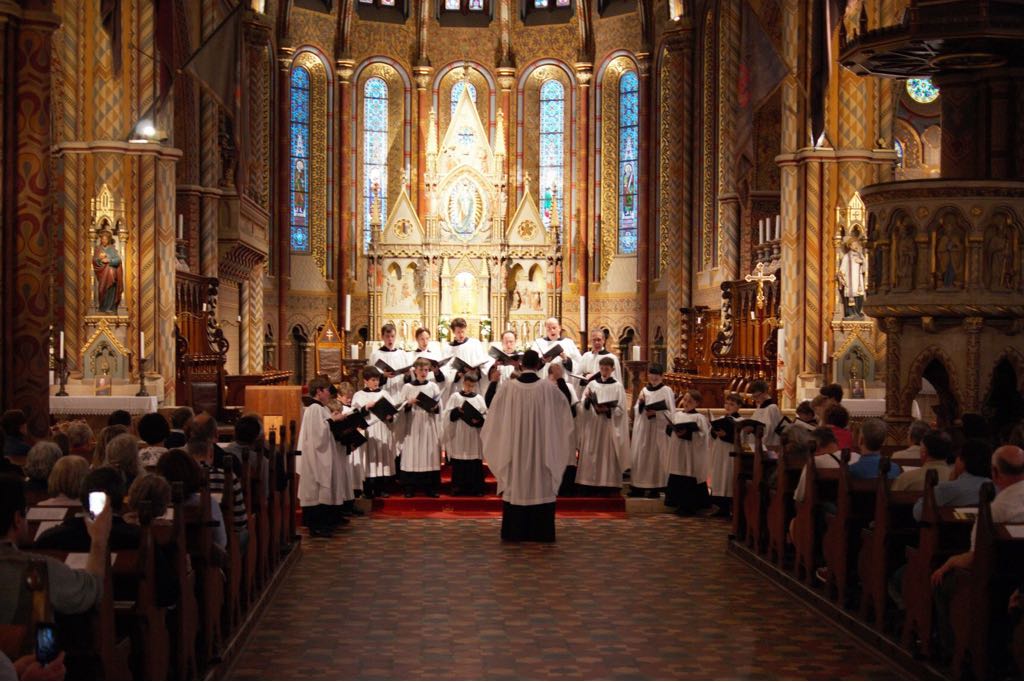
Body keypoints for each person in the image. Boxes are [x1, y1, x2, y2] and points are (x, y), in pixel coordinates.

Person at [481, 350, 573, 542]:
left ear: (521, 365)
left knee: (517, 484)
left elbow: (492, 410)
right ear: (538, 365)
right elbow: (567, 408)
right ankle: (541, 532)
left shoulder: (508, 388)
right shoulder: (549, 388)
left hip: (515, 449)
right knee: (540, 484)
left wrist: (493, 382)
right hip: (542, 451)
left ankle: (515, 532)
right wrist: (560, 378)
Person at [0, 475, 109, 628]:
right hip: (22, 651)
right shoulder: (36, 568)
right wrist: (99, 539)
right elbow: (91, 591)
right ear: (17, 519)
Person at [931, 445, 1024, 583]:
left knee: (943, 582)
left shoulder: (995, 511)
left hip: (998, 582)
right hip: (1016, 579)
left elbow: (977, 557)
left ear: (994, 472)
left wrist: (951, 562)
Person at [297, 376, 354, 537]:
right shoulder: (314, 409)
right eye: (328, 390)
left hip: (322, 455)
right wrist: (333, 420)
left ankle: (324, 523)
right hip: (317, 458)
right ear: (319, 391)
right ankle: (317, 526)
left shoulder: (319, 408)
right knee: (317, 491)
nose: (330, 393)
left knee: (322, 490)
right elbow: (318, 435)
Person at [575, 356, 628, 495]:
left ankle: (607, 485)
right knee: (591, 452)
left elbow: (621, 409)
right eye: (602, 369)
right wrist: (587, 401)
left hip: (607, 426)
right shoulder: (592, 384)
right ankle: (589, 484)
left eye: (607, 369)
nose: (604, 372)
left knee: (606, 455)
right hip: (593, 425)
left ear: (612, 370)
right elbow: (582, 405)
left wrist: (608, 410)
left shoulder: (617, 386)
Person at [156, 449, 227, 548]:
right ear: (193, 473)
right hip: (201, 560)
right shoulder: (207, 503)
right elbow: (221, 541)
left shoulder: (156, 506)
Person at [912, 438, 992, 521]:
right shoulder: (996, 488)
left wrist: (950, 483)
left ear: (962, 461)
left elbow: (919, 512)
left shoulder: (947, 488)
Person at [397, 359, 443, 498]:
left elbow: (439, 407)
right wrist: (408, 403)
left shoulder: (433, 386)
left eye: (426, 370)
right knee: (412, 453)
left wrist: (435, 408)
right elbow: (400, 408)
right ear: (415, 370)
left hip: (428, 423)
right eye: (421, 370)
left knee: (428, 453)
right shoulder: (407, 387)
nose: (423, 373)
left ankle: (430, 487)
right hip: (412, 423)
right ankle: (409, 487)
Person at [351, 366, 397, 500]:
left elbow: (392, 412)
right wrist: (366, 408)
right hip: (368, 430)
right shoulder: (358, 395)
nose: (376, 382)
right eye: (373, 380)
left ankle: (381, 488)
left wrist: (390, 417)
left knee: (381, 457)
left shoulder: (385, 394)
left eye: (377, 379)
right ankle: (368, 489)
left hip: (382, 429)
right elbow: (354, 414)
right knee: (369, 458)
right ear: (365, 381)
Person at [629, 363, 674, 498]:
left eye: (657, 375)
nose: (654, 377)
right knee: (641, 457)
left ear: (662, 376)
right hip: (643, 430)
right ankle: (638, 487)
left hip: (657, 430)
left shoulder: (667, 390)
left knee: (655, 458)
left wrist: (656, 414)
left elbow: (670, 412)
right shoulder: (644, 390)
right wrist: (641, 404)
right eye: (651, 374)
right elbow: (636, 410)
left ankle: (654, 488)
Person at [664, 389, 711, 515]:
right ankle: (678, 504)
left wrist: (687, 433)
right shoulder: (677, 415)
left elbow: (702, 436)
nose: (686, 403)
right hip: (678, 451)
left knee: (688, 477)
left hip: (690, 453)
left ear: (697, 403)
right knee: (677, 476)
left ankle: (690, 506)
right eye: (685, 400)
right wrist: (671, 429)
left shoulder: (699, 418)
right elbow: (669, 432)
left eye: (690, 401)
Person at [442, 371, 487, 496]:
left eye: (472, 386)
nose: (469, 388)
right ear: (463, 383)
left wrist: (478, 420)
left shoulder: (479, 398)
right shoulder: (455, 397)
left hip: (473, 434)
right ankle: (458, 487)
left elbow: (484, 416)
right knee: (459, 461)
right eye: (467, 385)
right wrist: (456, 411)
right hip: (459, 432)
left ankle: (476, 488)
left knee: (474, 462)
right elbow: (447, 415)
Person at [546, 363, 579, 496]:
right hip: (549, 429)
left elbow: (573, 406)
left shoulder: (568, 386)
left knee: (567, 457)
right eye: (553, 374)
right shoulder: (544, 387)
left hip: (565, 428)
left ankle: (566, 488)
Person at [708, 392, 743, 516]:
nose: (728, 406)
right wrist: (713, 431)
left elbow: (741, 439)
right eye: (726, 403)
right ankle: (720, 507)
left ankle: (730, 507)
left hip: (730, 454)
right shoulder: (720, 420)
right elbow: (711, 436)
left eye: (732, 404)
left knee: (727, 478)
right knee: (719, 477)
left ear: (739, 406)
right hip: (720, 453)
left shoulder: (741, 421)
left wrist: (726, 435)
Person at [370, 323, 411, 404]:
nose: (390, 339)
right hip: (383, 391)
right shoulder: (376, 355)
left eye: (392, 336)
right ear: (382, 337)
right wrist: (383, 376)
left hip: (399, 391)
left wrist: (407, 374)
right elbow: (371, 377)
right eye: (387, 336)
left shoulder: (402, 354)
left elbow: (408, 379)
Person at [748, 379, 783, 454]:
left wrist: (754, 430)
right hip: (758, 446)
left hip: (769, 449)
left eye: (757, 396)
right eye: (753, 397)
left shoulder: (772, 408)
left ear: (765, 392)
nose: (755, 399)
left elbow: (769, 431)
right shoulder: (760, 408)